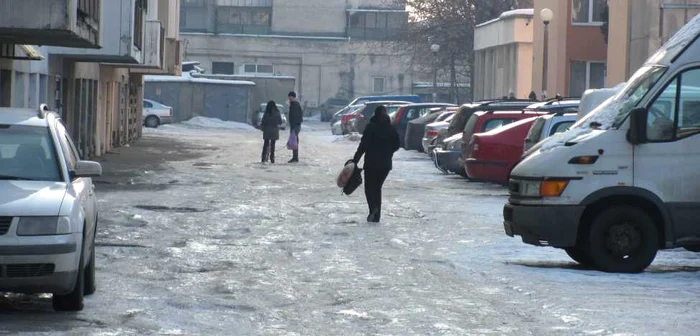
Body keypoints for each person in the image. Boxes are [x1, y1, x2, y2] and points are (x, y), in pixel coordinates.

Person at [352, 105, 400, 223]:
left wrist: (355, 160)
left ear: (375, 114)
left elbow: (363, 146)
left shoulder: (371, 127)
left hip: (371, 163)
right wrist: (389, 152)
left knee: (369, 188)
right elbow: (397, 144)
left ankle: (373, 209)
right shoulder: (391, 128)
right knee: (377, 188)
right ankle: (376, 215)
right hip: (385, 165)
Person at [287, 91, 303, 163]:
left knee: (294, 141)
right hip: (295, 125)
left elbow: (295, 116)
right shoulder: (294, 104)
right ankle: (295, 157)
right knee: (294, 141)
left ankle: (295, 157)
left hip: (295, 126)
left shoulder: (295, 105)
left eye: (290, 96)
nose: (289, 98)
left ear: (292, 97)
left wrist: (293, 126)